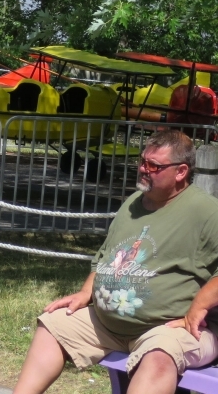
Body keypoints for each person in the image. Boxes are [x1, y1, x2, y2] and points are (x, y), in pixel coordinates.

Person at [13, 130, 218, 394]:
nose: (143, 169)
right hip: (109, 325)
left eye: (153, 165)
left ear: (180, 172)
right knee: (55, 324)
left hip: (167, 329)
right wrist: (86, 292)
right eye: (142, 161)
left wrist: (199, 305)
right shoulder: (134, 203)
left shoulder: (206, 211)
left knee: (158, 356)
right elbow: (105, 255)